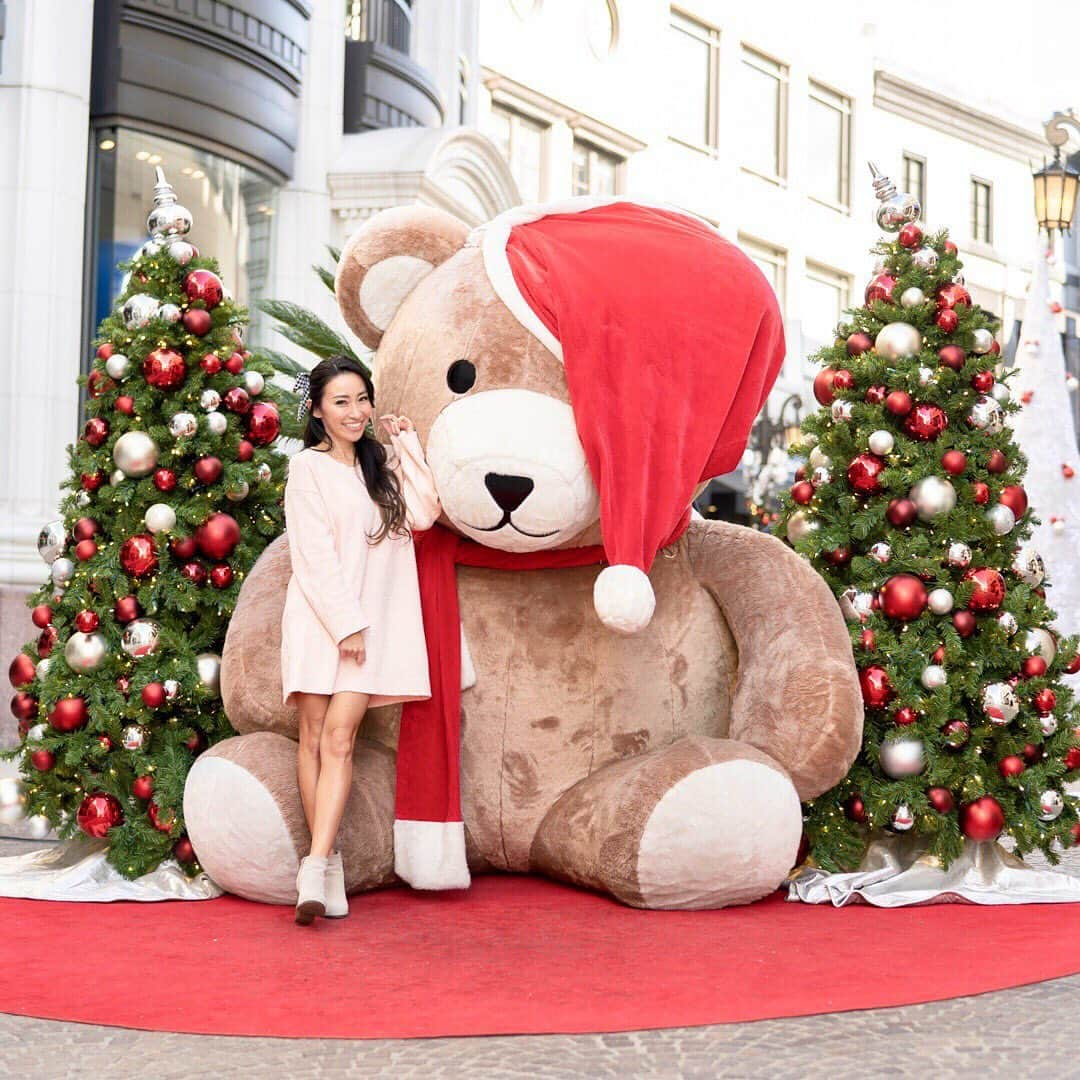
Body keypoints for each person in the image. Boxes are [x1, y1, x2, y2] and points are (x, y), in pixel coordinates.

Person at [280, 355, 440, 925]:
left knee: (341, 739)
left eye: (361, 399)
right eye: (341, 402)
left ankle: (314, 865)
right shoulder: (308, 470)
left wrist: (408, 449)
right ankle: (330, 866)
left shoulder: (381, 467)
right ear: (318, 411)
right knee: (314, 737)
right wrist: (344, 624)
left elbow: (424, 515)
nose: (355, 411)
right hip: (322, 620)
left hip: (370, 627)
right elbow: (313, 553)